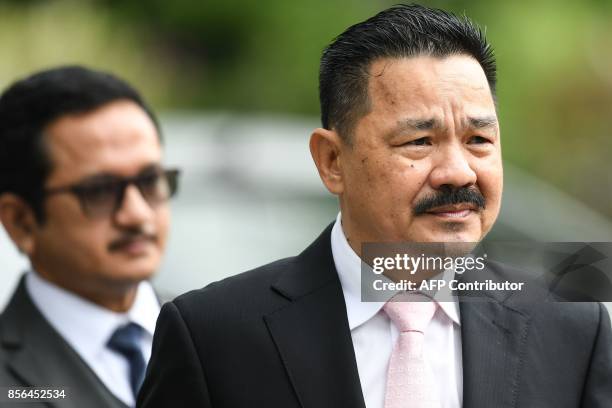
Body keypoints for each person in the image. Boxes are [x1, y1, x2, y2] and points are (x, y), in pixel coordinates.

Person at [138, 4, 611, 408]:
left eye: (479, 140)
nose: (459, 172)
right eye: (420, 140)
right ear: (332, 161)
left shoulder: (571, 327)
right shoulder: (214, 336)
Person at [0, 66, 180, 407]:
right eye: (99, 192)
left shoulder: (227, 337)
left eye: (149, 180)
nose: (137, 214)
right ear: (21, 221)